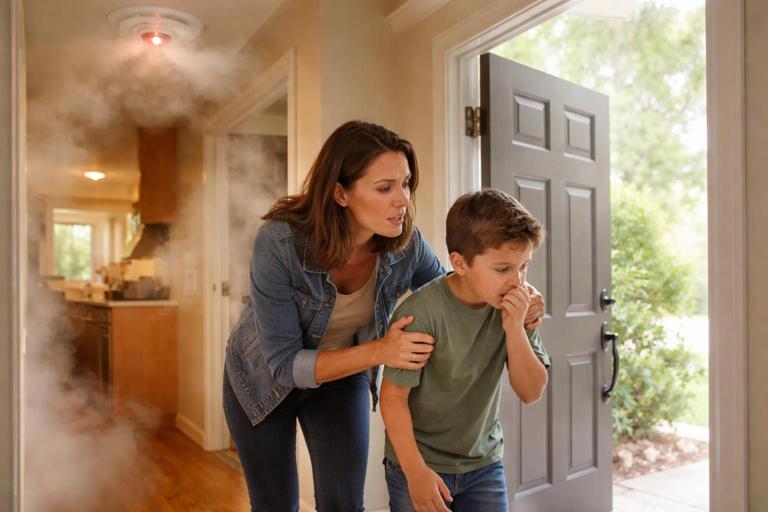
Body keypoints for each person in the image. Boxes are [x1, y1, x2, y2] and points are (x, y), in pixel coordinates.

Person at [380, 188, 551, 512]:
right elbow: (393, 399)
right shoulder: (421, 313)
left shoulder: (517, 306)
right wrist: (415, 472)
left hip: (484, 463)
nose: (517, 281)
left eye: (524, 266)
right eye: (502, 269)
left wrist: (515, 329)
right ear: (460, 263)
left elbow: (531, 392)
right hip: (419, 462)